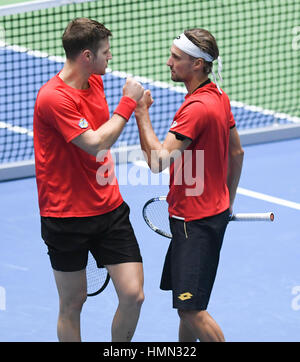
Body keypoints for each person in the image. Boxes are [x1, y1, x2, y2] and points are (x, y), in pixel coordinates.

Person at [33, 18, 145, 342]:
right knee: (72, 302)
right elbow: (95, 142)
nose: (110, 57)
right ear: (86, 56)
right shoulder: (53, 98)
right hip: (64, 216)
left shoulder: (95, 82)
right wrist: (128, 102)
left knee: (134, 294)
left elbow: (99, 137)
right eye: (105, 52)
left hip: (108, 208)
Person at [135, 28, 244, 342]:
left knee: (191, 310)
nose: (168, 62)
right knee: (188, 304)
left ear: (197, 64)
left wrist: (142, 113)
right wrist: (227, 200)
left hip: (193, 222)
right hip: (209, 215)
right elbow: (237, 153)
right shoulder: (218, 97)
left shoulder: (195, 109)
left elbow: (157, 161)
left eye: (176, 58)